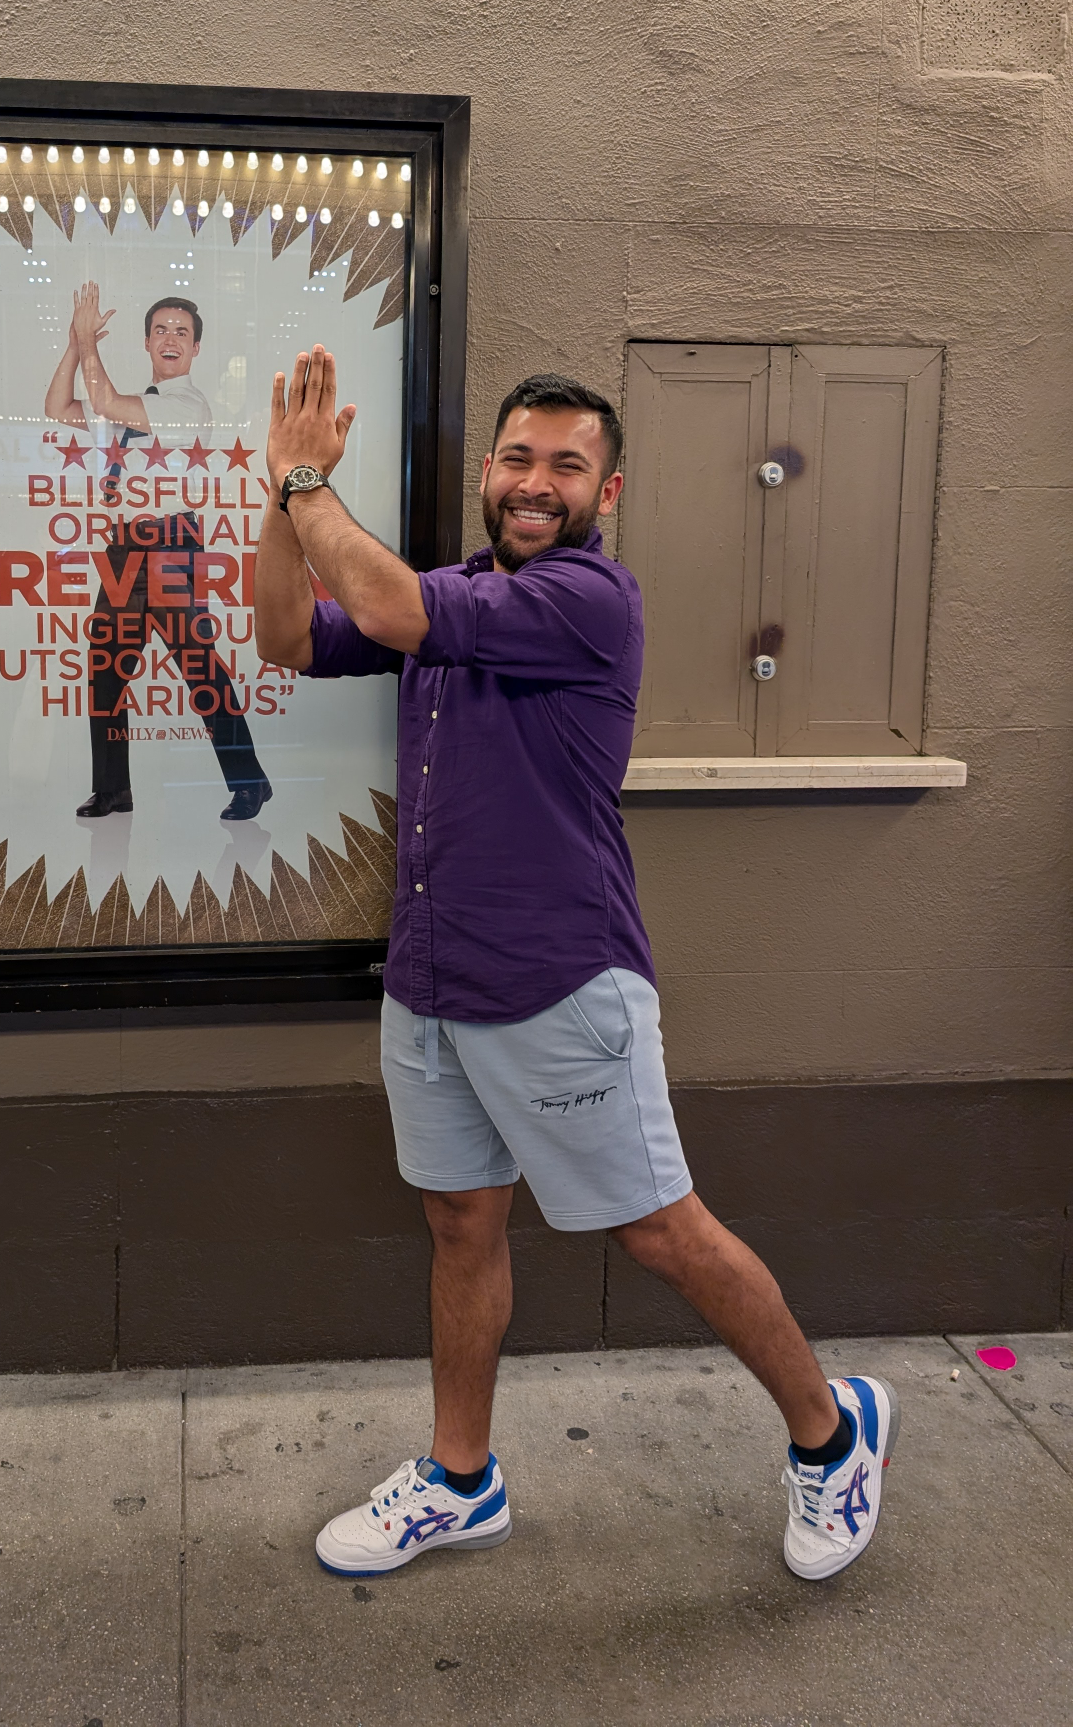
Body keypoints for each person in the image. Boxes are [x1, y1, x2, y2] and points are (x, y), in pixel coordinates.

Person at [254, 348, 899, 1584]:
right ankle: (462, 1481)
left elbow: (391, 612)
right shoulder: (449, 586)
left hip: (558, 983)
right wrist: (277, 498)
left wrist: (304, 485)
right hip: (431, 981)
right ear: (488, 472)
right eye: (518, 457)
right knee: (461, 1223)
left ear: (608, 493)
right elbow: (287, 635)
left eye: (567, 465)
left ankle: (833, 1435)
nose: (535, 482)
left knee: (659, 1230)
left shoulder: (591, 601)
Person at [45, 284, 271, 822]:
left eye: (182, 333)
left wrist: (88, 343)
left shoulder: (186, 405)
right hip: (124, 550)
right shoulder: (131, 408)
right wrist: (76, 345)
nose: (171, 339)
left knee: (200, 670)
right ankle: (113, 790)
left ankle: (250, 783)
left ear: (196, 348)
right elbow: (57, 407)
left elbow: (102, 400)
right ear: (146, 342)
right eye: (161, 330)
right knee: (105, 670)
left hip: (171, 547)